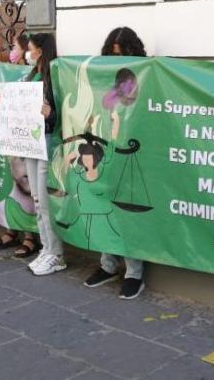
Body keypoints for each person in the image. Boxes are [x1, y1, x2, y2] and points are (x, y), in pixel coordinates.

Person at [82, 27, 147, 299]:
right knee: (105, 211)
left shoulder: (144, 78)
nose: (117, 58)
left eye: (122, 54)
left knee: (127, 213)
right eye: (112, 54)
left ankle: (134, 273)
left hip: (132, 156)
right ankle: (107, 265)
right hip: (107, 154)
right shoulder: (108, 87)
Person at [0, 32, 41, 258]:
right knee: (14, 183)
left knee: (29, 186)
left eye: (17, 47)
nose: (14, 51)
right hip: (11, 133)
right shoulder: (8, 71)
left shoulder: (35, 74)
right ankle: (11, 230)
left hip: (29, 136)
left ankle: (31, 237)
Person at [23, 33, 66, 276]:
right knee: (38, 200)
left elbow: (60, 112)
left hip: (46, 142)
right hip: (30, 141)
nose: (27, 53)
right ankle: (46, 247)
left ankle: (57, 254)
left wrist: (50, 113)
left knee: (46, 201)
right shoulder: (32, 75)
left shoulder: (53, 76)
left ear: (40, 50)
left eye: (30, 48)